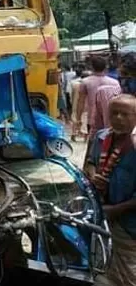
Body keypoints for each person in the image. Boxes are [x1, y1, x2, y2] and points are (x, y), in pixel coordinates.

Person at [86, 95, 136, 285]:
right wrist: (92, 175)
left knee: (129, 274)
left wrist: (113, 211)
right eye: (114, 113)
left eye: (125, 114)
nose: (118, 118)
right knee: (105, 267)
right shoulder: (101, 137)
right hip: (102, 215)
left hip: (128, 224)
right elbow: (90, 162)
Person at [75, 56, 120, 141]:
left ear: (91, 67)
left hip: (93, 119)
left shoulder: (85, 82)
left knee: (94, 143)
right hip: (111, 119)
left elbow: (80, 102)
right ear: (106, 67)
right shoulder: (115, 82)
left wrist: (78, 119)